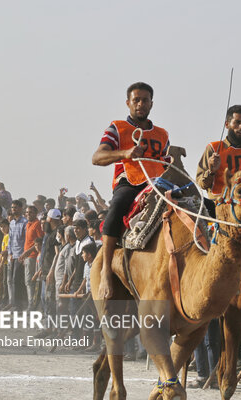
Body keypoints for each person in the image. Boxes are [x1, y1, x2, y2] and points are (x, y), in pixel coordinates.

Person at [92, 82, 170, 299]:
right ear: (128, 103)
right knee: (117, 206)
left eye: (145, 100)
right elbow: (97, 158)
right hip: (131, 182)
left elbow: (164, 160)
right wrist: (125, 153)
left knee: (198, 204)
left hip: (159, 183)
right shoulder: (117, 128)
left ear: (151, 103)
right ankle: (106, 270)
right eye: (136, 100)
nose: (140, 104)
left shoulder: (162, 134)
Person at [196, 104, 241, 200]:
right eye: (237, 122)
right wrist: (211, 172)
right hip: (219, 203)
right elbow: (201, 184)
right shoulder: (213, 148)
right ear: (227, 124)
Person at [19, 205, 44, 310]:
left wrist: (27, 252)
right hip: (28, 256)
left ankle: (32, 304)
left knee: (30, 281)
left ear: (35, 213)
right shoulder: (28, 224)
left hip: (33, 256)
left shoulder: (37, 224)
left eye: (31, 212)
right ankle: (31, 303)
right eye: (27, 213)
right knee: (28, 281)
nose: (28, 214)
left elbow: (39, 241)